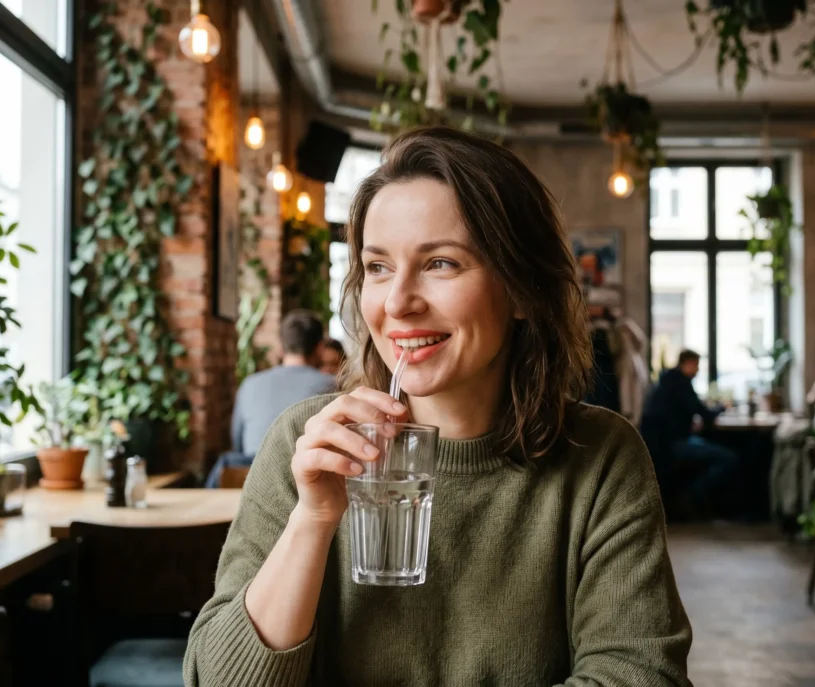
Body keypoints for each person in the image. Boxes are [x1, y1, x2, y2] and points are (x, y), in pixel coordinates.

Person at [185, 127, 691, 685]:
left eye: (441, 263)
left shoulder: (599, 460)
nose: (398, 302)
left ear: (521, 288)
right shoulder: (303, 442)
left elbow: (641, 674)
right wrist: (313, 519)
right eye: (377, 267)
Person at [204, 310, 334, 488]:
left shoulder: (250, 384)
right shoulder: (333, 386)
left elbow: (239, 443)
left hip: (246, 480)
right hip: (304, 485)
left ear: (280, 347)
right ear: (320, 348)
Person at [641, 350, 738, 518]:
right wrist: (723, 407)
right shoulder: (681, 383)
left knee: (704, 446)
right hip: (673, 444)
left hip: (664, 443)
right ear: (687, 363)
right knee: (727, 458)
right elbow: (705, 414)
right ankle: (691, 497)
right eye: (696, 365)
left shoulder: (667, 380)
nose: (698, 370)